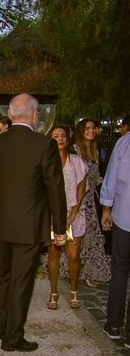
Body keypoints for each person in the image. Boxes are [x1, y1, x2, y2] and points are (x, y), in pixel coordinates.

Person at [0, 93, 67, 352]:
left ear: (9, 115)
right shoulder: (44, 145)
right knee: (21, 280)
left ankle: (0, 326)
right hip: (30, 224)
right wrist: (60, 228)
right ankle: (12, 337)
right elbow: (55, 189)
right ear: (34, 115)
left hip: (2, 220)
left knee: (5, 275)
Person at [45, 125, 87, 310]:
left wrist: (73, 213)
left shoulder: (76, 160)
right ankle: (54, 292)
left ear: (68, 139)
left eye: (63, 136)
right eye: (56, 136)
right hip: (53, 215)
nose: (60, 139)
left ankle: (73, 290)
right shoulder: (46, 160)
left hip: (73, 213)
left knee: (74, 255)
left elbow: (81, 188)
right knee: (54, 253)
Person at [100, 116, 130, 345]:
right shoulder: (123, 143)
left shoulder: (124, 143)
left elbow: (110, 178)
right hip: (124, 217)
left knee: (120, 270)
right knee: (119, 269)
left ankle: (114, 324)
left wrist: (106, 209)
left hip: (124, 217)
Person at [73, 119, 110, 286]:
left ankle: (89, 270)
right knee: (78, 235)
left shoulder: (97, 151)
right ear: (81, 131)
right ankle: (75, 268)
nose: (91, 131)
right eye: (87, 128)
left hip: (92, 200)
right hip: (78, 197)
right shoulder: (75, 150)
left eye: (93, 128)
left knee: (92, 235)